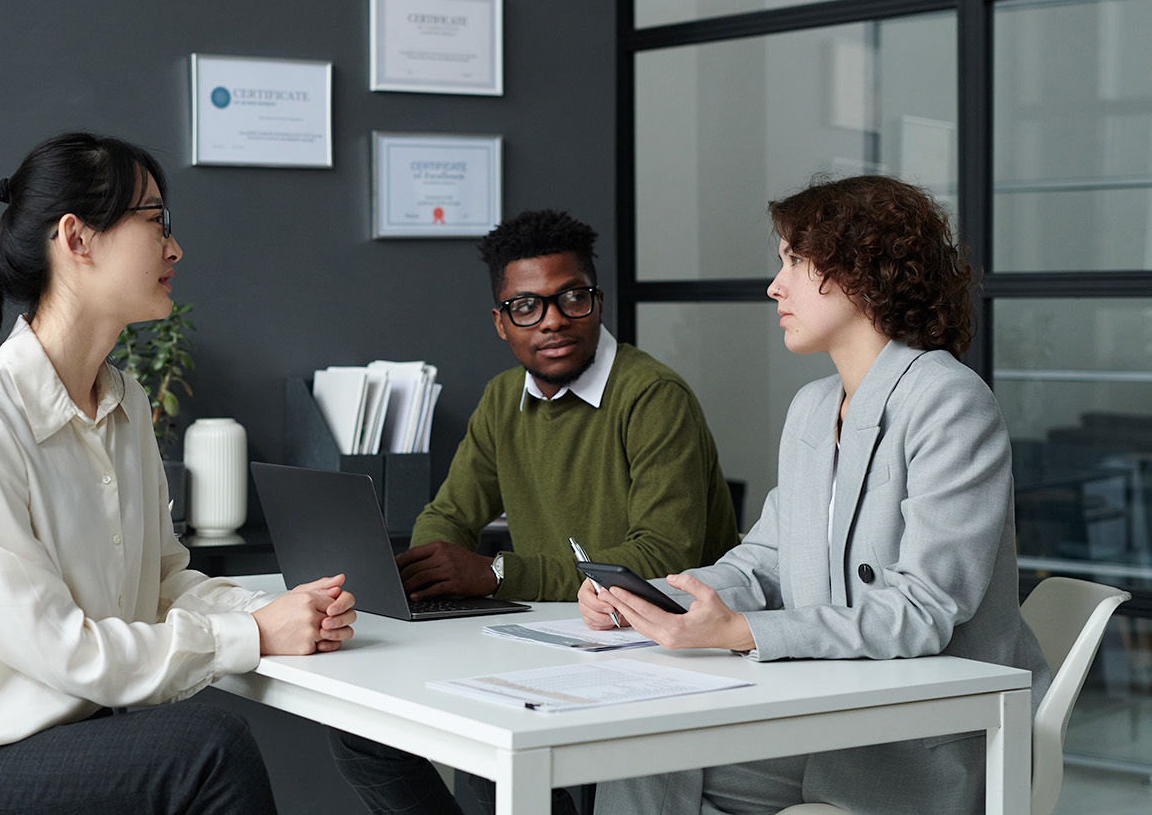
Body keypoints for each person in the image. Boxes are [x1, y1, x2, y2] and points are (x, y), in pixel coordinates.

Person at [0, 132, 356, 815]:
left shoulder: (122, 406)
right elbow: (54, 650)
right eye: (155, 221)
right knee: (206, 748)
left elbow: (160, 584)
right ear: (77, 239)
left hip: (65, 744)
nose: (174, 249)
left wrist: (273, 612)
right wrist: (252, 636)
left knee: (202, 743)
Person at [582, 175, 1051, 815]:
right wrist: (657, 600)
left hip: (922, 738)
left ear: (865, 273)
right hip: (825, 716)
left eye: (795, 262)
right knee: (635, 750)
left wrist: (743, 631)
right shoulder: (812, 407)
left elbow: (924, 607)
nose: (775, 287)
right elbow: (767, 558)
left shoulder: (949, 400)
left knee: (650, 753)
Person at [331, 209, 739, 815]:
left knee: (503, 772)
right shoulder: (504, 399)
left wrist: (498, 575)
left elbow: (662, 557)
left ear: (596, 301)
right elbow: (447, 515)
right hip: (546, 643)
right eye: (527, 307)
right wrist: (431, 571)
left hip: (652, 652)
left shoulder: (652, 396)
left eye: (572, 298)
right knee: (361, 730)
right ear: (501, 322)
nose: (552, 322)